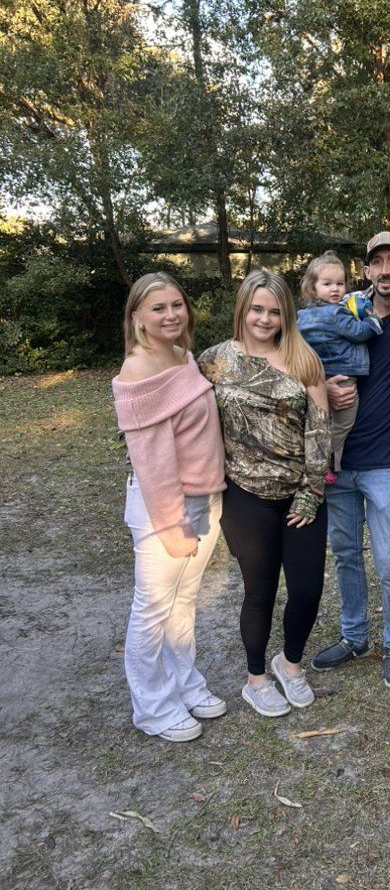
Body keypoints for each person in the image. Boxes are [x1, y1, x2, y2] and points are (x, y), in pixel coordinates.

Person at [199, 270, 330, 718]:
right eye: (257, 309)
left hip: (300, 495)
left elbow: (319, 429)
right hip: (245, 494)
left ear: (286, 315)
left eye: (274, 311)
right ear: (242, 309)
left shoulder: (303, 359)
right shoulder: (215, 360)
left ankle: (289, 663)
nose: (265, 318)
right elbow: (187, 414)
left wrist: (311, 492)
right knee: (260, 590)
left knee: (308, 588)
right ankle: (256, 679)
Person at [113, 272, 227, 743]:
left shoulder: (183, 358)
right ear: (137, 316)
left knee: (184, 600)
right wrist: (171, 523)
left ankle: (184, 684)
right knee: (153, 608)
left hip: (205, 497)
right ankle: (154, 708)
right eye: (158, 308)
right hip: (166, 508)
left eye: (176, 305)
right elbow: (153, 461)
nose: (170, 315)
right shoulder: (138, 372)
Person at [311, 231, 390, 688]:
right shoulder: (344, 307)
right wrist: (321, 385)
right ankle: (354, 636)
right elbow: (295, 351)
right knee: (347, 553)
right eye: (378, 262)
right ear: (368, 270)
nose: (386, 269)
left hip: (386, 460)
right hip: (339, 457)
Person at [297, 250, 382, 480]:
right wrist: (372, 320)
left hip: (318, 377)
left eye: (340, 283)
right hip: (344, 375)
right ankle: (322, 462)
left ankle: (322, 462)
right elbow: (358, 333)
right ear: (312, 287)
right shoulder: (337, 313)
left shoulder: (300, 317)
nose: (335, 289)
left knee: (320, 418)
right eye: (327, 284)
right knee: (344, 422)